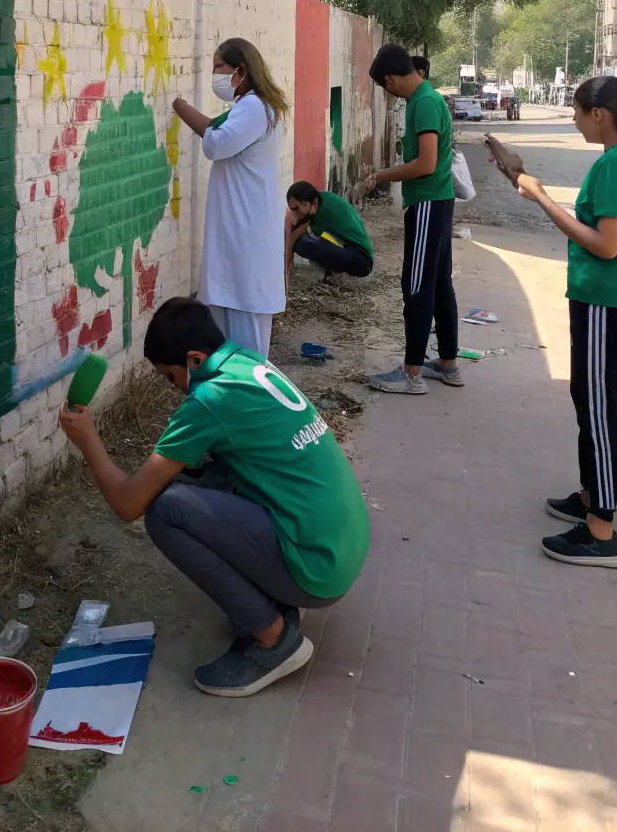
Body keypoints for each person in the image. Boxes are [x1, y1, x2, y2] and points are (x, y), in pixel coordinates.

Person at [58, 298, 370, 697]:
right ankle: (276, 599)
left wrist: (88, 441)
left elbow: (128, 504)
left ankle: (273, 640)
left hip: (318, 569)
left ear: (192, 359)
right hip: (341, 545)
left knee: (166, 510)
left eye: (169, 378)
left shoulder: (209, 399)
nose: (174, 390)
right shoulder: (245, 362)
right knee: (203, 475)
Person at [515, 76, 617, 567]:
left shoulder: (614, 166)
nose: (575, 120)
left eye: (577, 112)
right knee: (588, 395)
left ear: (599, 114)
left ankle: (602, 531)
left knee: (600, 408)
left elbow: (606, 244)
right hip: (602, 297)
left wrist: (542, 198)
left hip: (606, 298)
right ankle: (589, 495)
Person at [172, 38, 288, 359]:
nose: (214, 76)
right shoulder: (248, 107)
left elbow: (216, 142)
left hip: (246, 241)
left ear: (240, 69)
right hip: (238, 239)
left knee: (248, 350)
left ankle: (253, 405)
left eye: (217, 68)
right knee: (228, 344)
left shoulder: (253, 107)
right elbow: (215, 128)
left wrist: (180, 108)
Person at [364, 43, 461, 393]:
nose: (387, 94)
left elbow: (426, 164)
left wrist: (381, 175)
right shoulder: (428, 99)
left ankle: (411, 373)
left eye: (384, 87)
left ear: (390, 79)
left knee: (417, 286)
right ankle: (448, 363)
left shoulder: (423, 103)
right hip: (439, 201)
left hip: (428, 204)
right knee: (438, 285)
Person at [285, 181, 374, 281]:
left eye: (296, 209)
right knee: (308, 241)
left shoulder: (324, 210)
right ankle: (333, 273)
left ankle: (332, 275)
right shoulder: (318, 201)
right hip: (356, 253)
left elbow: (292, 241)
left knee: (303, 244)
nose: (295, 213)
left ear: (311, 203)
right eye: (292, 210)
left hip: (362, 260)